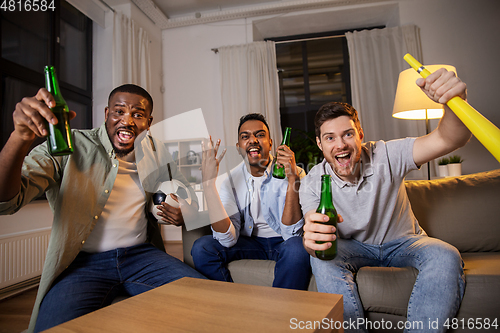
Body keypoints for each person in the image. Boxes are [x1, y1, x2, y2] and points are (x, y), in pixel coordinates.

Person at [0, 84, 206, 333]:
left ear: (149, 122)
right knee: (51, 327)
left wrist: (184, 211)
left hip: (142, 257)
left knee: (207, 302)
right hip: (83, 264)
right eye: (119, 111)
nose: (127, 120)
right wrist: (20, 138)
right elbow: (7, 201)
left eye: (138, 115)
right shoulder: (70, 143)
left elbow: (188, 194)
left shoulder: (157, 151)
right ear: (107, 113)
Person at [300, 69, 470, 332]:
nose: (340, 145)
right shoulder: (313, 181)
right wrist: (312, 241)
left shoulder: (386, 154)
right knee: (321, 260)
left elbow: (450, 138)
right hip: (353, 248)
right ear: (320, 145)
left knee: (446, 254)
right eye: (330, 138)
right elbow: (317, 238)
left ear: (360, 134)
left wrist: (454, 103)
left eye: (347, 134)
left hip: (404, 242)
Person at [191, 113, 311, 290]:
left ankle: (282, 311)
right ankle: (230, 305)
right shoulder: (230, 181)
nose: (253, 140)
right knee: (202, 247)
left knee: (297, 247)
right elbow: (227, 239)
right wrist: (208, 185)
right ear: (239, 147)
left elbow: (291, 234)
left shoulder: (295, 173)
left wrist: (292, 178)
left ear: (271, 143)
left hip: (283, 242)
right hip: (250, 243)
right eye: (245, 136)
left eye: (260, 135)